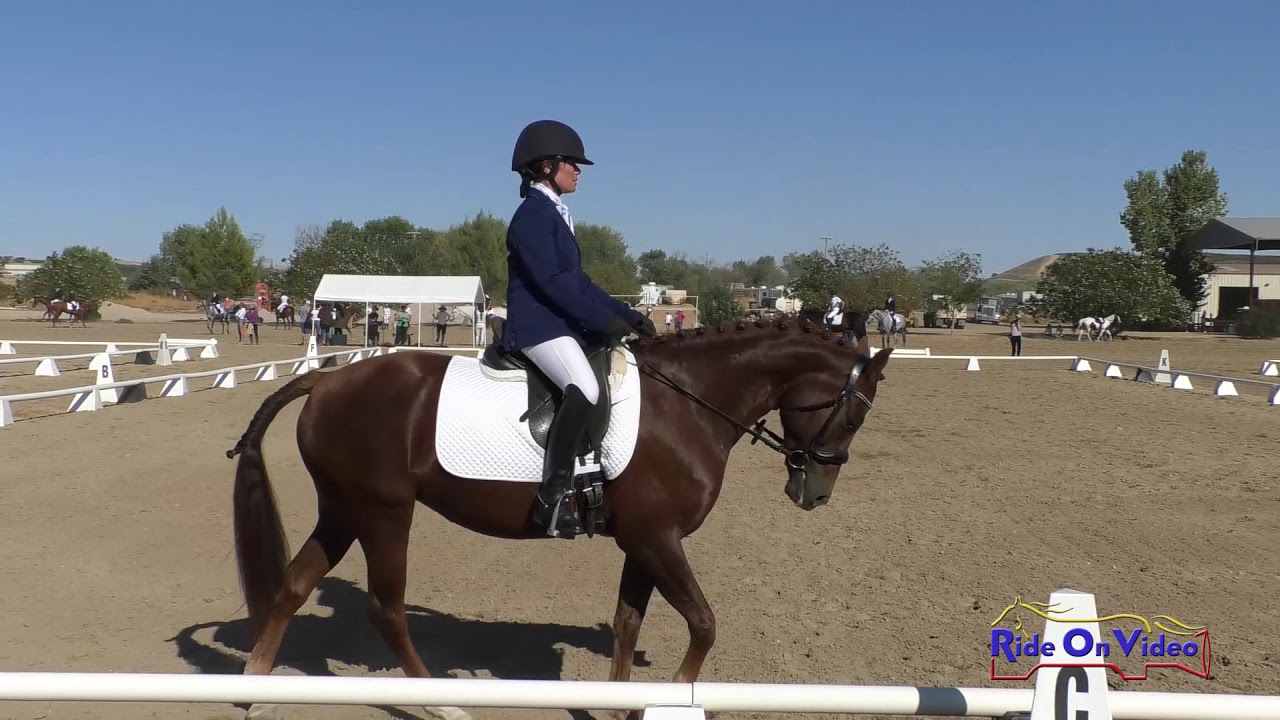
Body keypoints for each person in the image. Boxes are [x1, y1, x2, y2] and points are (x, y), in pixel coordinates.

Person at [503, 119, 656, 538]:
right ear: (546, 165)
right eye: (571, 162)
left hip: (558, 323)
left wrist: (624, 314)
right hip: (537, 328)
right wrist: (601, 321)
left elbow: (578, 282)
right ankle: (550, 498)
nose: (578, 170)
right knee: (585, 388)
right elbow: (552, 284)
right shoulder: (532, 216)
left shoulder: (555, 213)